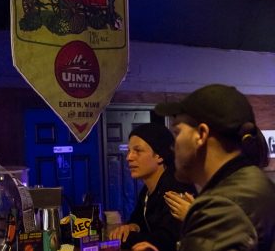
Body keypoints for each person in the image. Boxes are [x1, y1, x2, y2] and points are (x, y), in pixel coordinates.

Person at [154, 84, 275, 251]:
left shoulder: (221, 206)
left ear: (201, 135)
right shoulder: (254, 183)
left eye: (177, 132)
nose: (172, 146)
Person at [108, 123, 196, 251]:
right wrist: (132, 226)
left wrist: (129, 237)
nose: (129, 157)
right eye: (129, 151)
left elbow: (166, 240)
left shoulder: (175, 187)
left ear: (159, 156)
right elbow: (138, 219)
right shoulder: (147, 190)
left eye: (137, 151)